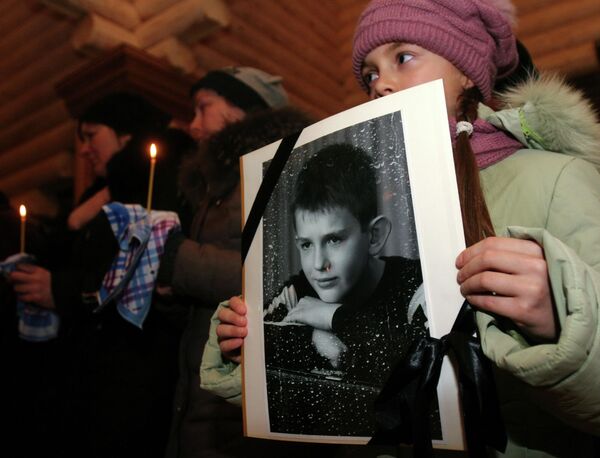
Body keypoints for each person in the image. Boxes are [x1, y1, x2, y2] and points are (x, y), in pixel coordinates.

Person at [204, 0, 600, 456]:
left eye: (403, 57)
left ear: (467, 71)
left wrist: (562, 318)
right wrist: (251, 350)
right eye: (369, 74)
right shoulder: (386, 200)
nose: (381, 84)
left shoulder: (555, 179)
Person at [155, 67, 333, 457]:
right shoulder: (215, 185)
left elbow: (283, 271)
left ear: (243, 110)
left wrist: (178, 260)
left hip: (244, 406)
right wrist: (169, 291)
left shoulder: (279, 167)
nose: (194, 123)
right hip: (204, 393)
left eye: (204, 107)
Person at [8, 91, 196, 458]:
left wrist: (61, 289)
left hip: (130, 369)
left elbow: (144, 267)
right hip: (88, 368)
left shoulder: (157, 181)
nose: (83, 150)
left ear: (124, 134)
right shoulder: (100, 192)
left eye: (92, 135)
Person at [262, 143, 427, 436]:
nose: (318, 265)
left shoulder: (417, 287)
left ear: (374, 236)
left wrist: (333, 317)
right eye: (306, 244)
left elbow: (418, 379)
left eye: (335, 240)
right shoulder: (295, 293)